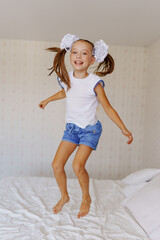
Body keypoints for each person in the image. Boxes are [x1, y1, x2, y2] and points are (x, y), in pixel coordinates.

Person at [38, 34, 133, 219]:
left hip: (90, 130)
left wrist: (123, 128)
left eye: (84, 53)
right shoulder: (66, 79)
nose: (78, 56)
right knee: (57, 165)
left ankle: (86, 198)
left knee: (77, 165)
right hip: (72, 130)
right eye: (75, 52)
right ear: (69, 55)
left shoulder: (94, 82)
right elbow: (65, 92)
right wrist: (47, 100)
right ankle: (64, 196)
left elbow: (107, 107)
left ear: (92, 59)